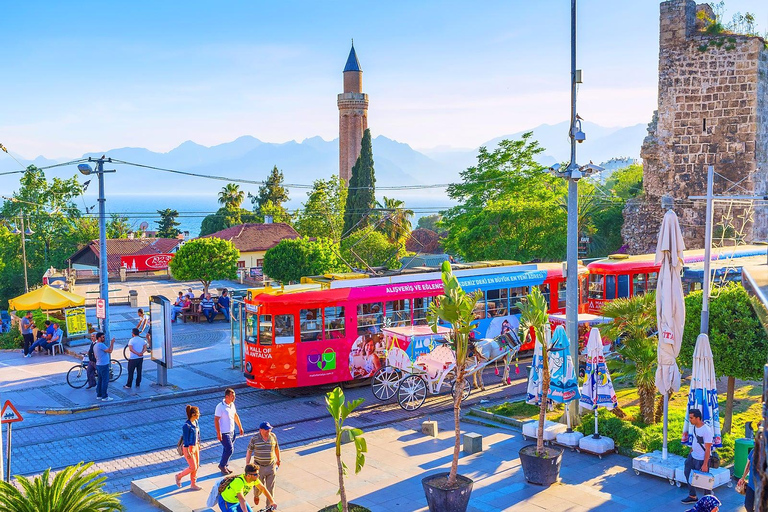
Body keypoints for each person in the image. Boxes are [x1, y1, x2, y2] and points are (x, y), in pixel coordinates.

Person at [682, 408, 713, 504]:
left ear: (698, 418)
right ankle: (692, 495)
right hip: (692, 456)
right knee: (687, 472)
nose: (690, 419)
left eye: (691, 418)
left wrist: (705, 464)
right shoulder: (695, 426)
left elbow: (708, 449)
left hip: (701, 459)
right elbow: (696, 440)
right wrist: (691, 450)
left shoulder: (706, 430)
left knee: (705, 481)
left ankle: (708, 500)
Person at [245, 422, 281, 506]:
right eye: (266, 429)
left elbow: (276, 448)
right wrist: (247, 463)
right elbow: (249, 451)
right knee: (258, 487)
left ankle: (269, 507)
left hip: (271, 466)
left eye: (269, 429)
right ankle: (256, 495)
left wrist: (279, 460)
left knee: (270, 488)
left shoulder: (273, 436)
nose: (268, 431)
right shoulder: (254, 438)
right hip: (258, 467)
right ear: (260, 430)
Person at [215, 388, 244, 475]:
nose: (234, 398)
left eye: (234, 396)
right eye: (232, 396)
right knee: (229, 449)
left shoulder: (232, 405)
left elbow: (235, 415)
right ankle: (222, 465)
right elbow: (216, 420)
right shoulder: (220, 407)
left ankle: (225, 466)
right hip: (224, 432)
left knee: (226, 449)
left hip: (232, 431)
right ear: (227, 396)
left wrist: (240, 427)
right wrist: (218, 432)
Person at [175, 405, 202, 491]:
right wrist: (187, 451)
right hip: (189, 447)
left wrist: (199, 444)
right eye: (198, 413)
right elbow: (186, 439)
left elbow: (198, 435)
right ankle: (179, 476)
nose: (199, 415)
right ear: (193, 414)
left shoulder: (196, 422)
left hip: (196, 446)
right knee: (192, 467)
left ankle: (193, 484)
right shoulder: (186, 426)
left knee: (196, 466)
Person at [93, 332, 116, 401]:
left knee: (100, 380)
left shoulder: (95, 345)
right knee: (105, 381)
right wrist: (112, 343)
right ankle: (104, 396)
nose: (104, 338)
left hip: (98, 364)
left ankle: (99, 395)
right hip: (103, 365)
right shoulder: (101, 345)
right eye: (103, 337)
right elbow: (110, 351)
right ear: (99, 338)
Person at [739, 444, 758, 512]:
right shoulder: (753, 451)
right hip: (751, 485)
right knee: (748, 505)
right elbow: (748, 465)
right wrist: (743, 478)